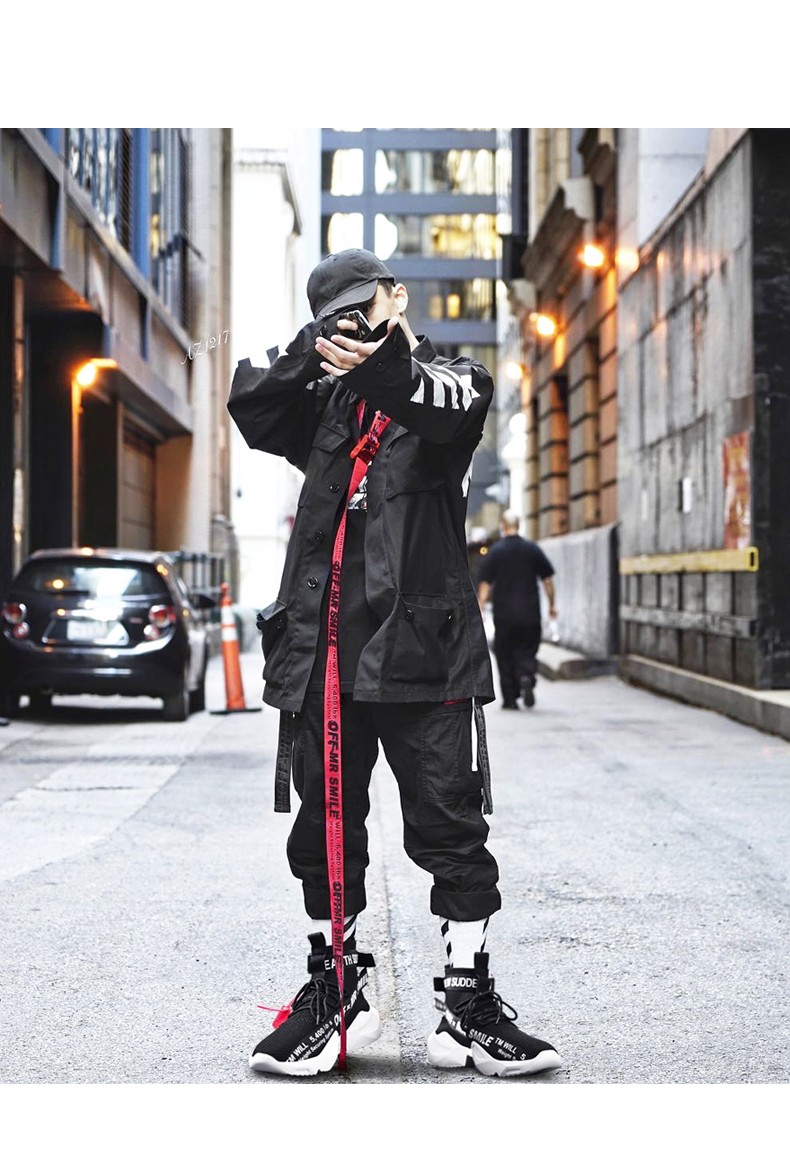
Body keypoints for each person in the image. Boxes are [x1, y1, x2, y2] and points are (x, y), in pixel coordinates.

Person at [227, 248, 561, 1079]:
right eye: (336, 310)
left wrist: (376, 357)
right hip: (323, 661)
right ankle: (339, 989)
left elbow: (434, 406)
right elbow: (251, 404)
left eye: (364, 304)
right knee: (323, 830)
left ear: (397, 297)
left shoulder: (454, 381)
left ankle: (466, 1004)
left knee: (452, 829)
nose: (354, 321)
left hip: (426, 657)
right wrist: (316, 349)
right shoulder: (321, 402)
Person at [476, 511, 556, 710]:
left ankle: (510, 699)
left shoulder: (496, 551)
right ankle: (526, 675)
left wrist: (480, 607)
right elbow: (547, 580)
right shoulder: (532, 549)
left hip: (504, 615)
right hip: (530, 613)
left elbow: (485, 584)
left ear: (503, 526)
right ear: (518, 526)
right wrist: (552, 604)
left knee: (504, 654)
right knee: (528, 649)